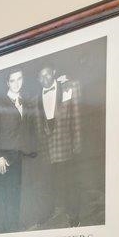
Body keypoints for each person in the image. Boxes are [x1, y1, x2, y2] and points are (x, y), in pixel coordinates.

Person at [0, 68, 38, 234]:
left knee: (17, 192)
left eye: (19, 79)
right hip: (5, 158)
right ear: (7, 83)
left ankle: (15, 227)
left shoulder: (25, 102)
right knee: (5, 195)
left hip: (21, 156)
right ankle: (7, 231)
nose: (16, 83)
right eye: (12, 80)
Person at [28, 64, 87, 227]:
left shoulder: (70, 87)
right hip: (46, 148)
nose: (44, 79)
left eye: (47, 74)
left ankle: (73, 214)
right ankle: (48, 211)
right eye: (41, 77)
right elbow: (37, 126)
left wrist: (77, 142)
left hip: (65, 144)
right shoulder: (34, 99)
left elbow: (77, 117)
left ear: (54, 72)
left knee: (69, 182)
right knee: (47, 184)